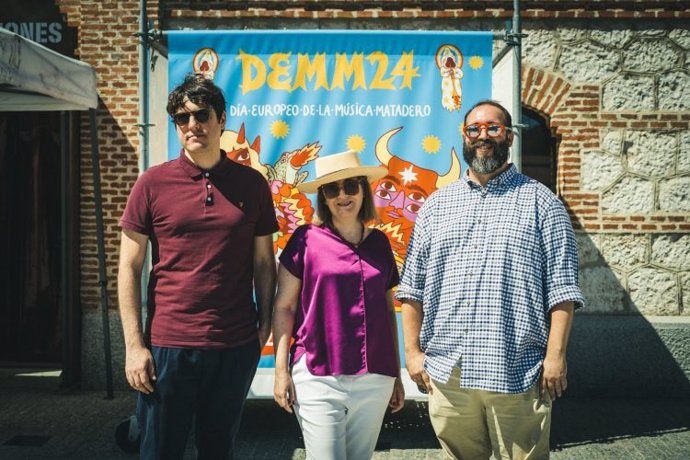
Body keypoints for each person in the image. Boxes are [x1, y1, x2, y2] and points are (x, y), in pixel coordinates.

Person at [398, 100, 584, 459]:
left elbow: (562, 291)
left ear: (509, 136)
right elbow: (411, 289)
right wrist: (413, 354)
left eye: (493, 128)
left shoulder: (542, 203)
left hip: (516, 371)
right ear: (464, 137)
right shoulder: (436, 206)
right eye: (474, 129)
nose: (483, 136)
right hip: (448, 372)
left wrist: (555, 357)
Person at [117, 73, 278, 459]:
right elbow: (128, 267)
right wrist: (134, 346)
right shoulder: (151, 184)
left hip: (234, 343)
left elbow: (263, 262)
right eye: (181, 118)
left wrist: (265, 324)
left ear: (221, 119)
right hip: (168, 344)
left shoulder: (252, 184)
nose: (192, 125)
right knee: (159, 449)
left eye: (201, 114)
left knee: (217, 449)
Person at [272, 150, 405, 460]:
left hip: (375, 378)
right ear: (324, 197)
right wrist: (281, 371)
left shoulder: (380, 243)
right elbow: (284, 308)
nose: (342, 195)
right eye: (332, 189)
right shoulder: (305, 240)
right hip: (319, 375)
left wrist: (396, 374)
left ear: (364, 190)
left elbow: (388, 312)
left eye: (351, 186)